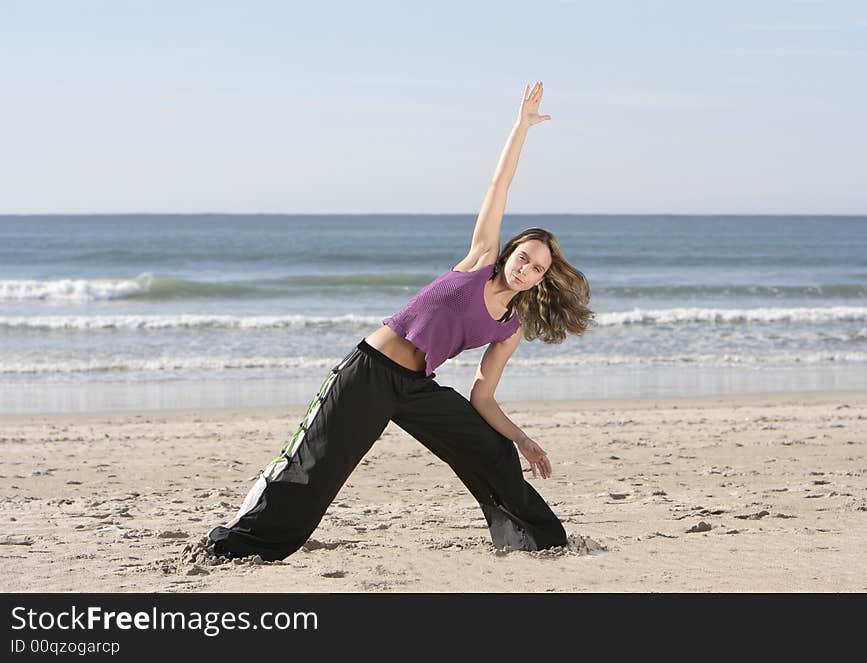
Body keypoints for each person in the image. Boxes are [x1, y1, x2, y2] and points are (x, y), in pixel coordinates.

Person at [208, 81, 595, 562]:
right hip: (368, 372)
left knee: (491, 450)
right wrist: (521, 128)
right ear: (509, 252)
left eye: (537, 268)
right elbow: (499, 187)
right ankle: (238, 544)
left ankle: (535, 541)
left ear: (541, 279)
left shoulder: (509, 327)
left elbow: (483, 397)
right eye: (524, 257)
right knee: (317, 465)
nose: (526, 269)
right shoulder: (479, 260)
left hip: (416, 387)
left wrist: (523, 439)